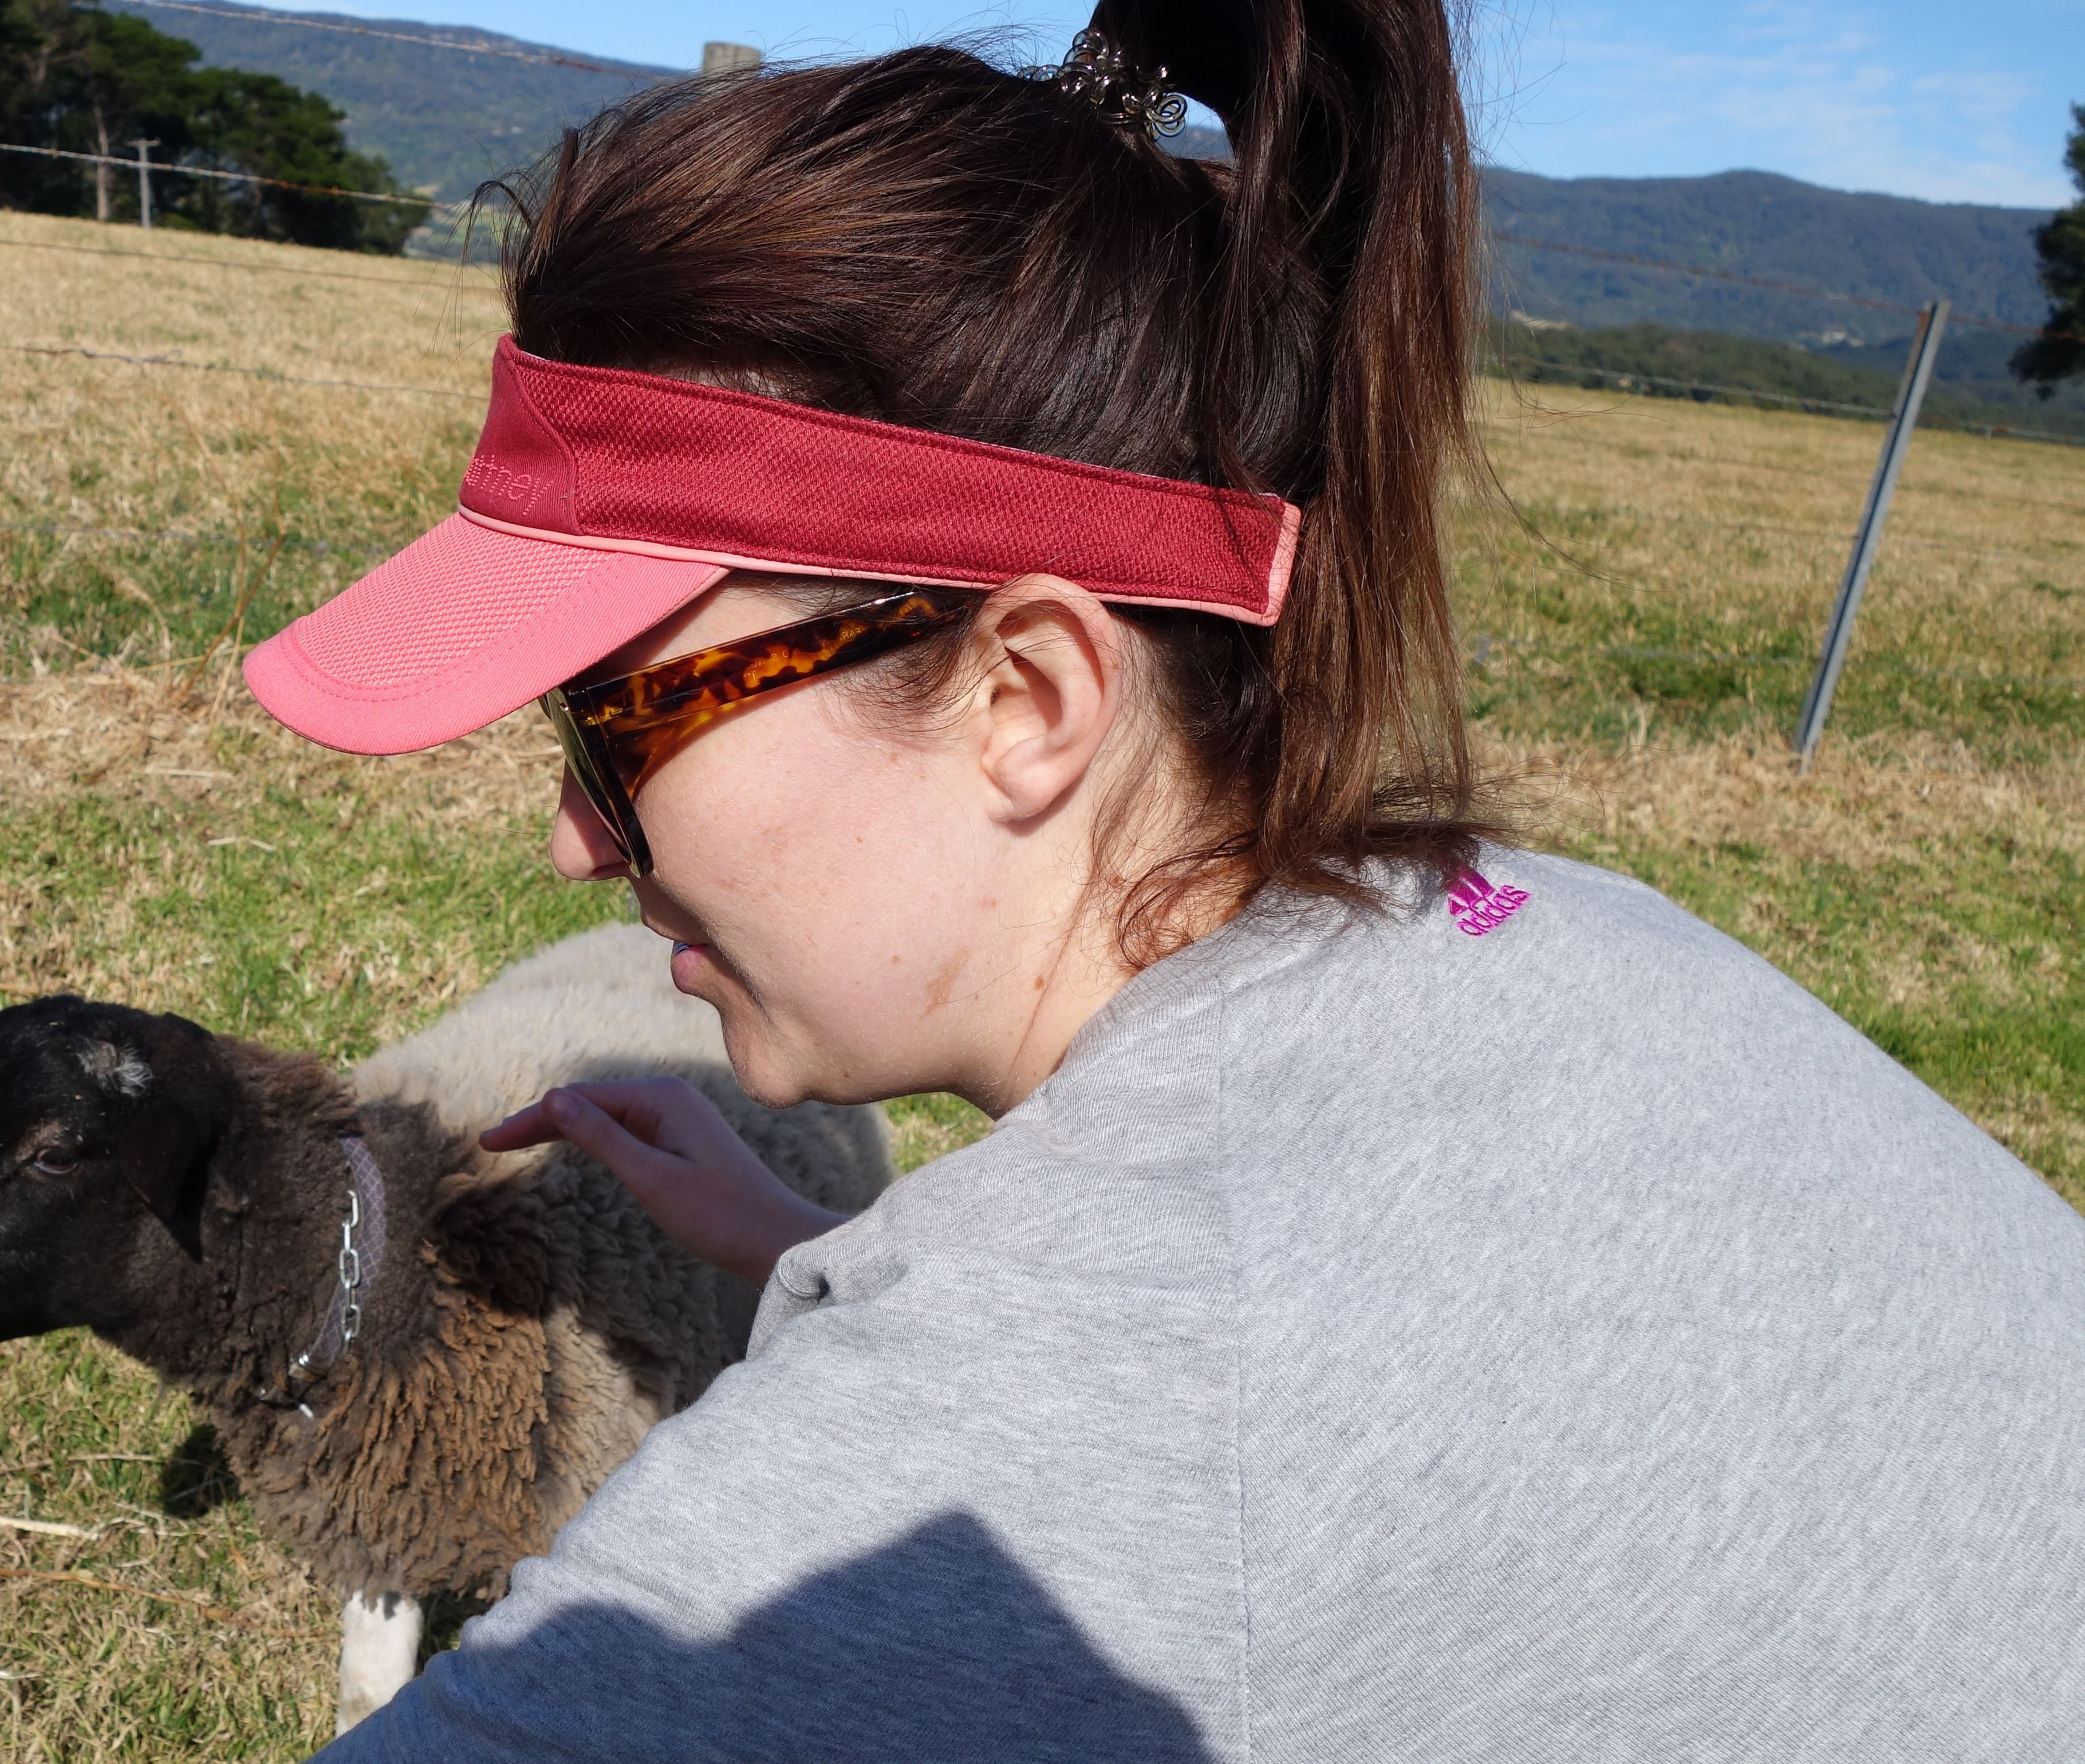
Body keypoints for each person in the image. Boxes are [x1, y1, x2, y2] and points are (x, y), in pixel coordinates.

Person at [238, 3, 2085, 1755]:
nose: (577, 832)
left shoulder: (1004, 1463)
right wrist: (836, 1264)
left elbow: (1156, 1422)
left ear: (1027, 697)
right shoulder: (1594, 946)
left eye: (616, 722)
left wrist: (971, 1356)